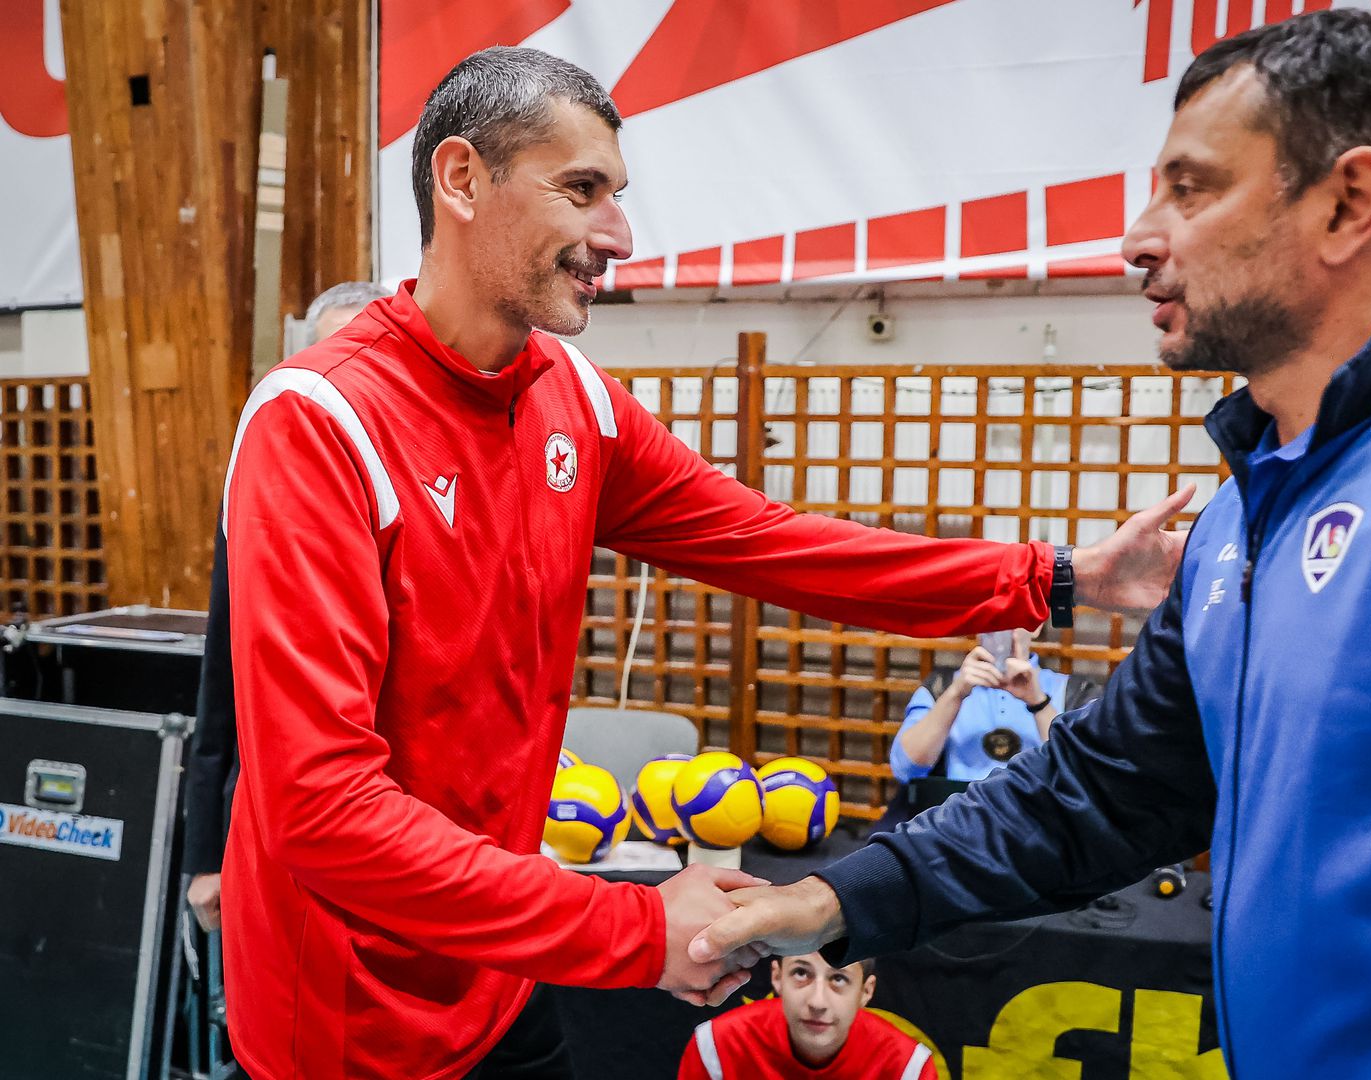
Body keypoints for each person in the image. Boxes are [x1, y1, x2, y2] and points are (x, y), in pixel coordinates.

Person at [219, 48, 1191, 1080]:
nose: (618, 236)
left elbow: (770, 542)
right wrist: (634, 928)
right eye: (582, 190)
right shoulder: (317, 422)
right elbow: (324, 811)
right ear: (462, 179)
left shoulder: (571, 396)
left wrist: (1060, 576)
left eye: (618, 196)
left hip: (497, 978)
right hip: (341, 1021)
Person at [689, 12, 1371, 1079]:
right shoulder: (1245, 511)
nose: (1138, 235)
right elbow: (1099, 790)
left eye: (1191, 188)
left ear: (1348, 203)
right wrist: (835, 898)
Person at [181, 279, 392, 933]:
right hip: (276, 826)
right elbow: (223, 685)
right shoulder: (266, 478)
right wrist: (206, 855)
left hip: (402, 826)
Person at [678, 952, 934, 1080]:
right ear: (777, 977)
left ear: (865, 992)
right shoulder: (716, 1045)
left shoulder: (907, 1067)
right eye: (801, 973)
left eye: (839, 979)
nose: (817, 1002)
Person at [890, 628, 1068, 783]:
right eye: (989, 617)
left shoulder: (1071, 691)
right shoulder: (942, 686)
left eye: (1011, 614)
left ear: (1035, 625)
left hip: (1036, 816)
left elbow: (1079, 776)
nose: (999, 629)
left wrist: (1039, 702)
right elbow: (905, 769)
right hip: (957, 816)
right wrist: (956, 693)